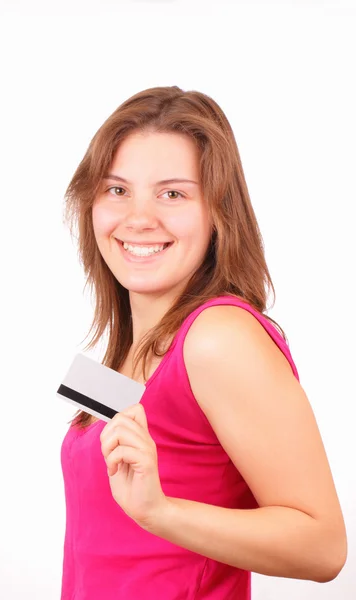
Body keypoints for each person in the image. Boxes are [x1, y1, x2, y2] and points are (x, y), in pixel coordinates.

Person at [60, 85, 347, 599]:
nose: (139, 218)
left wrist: (161, 512)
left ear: (218, 212)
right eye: (117, 189)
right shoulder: (129, 345)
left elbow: (322, 547)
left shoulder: (219, 337)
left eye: (173, 193)